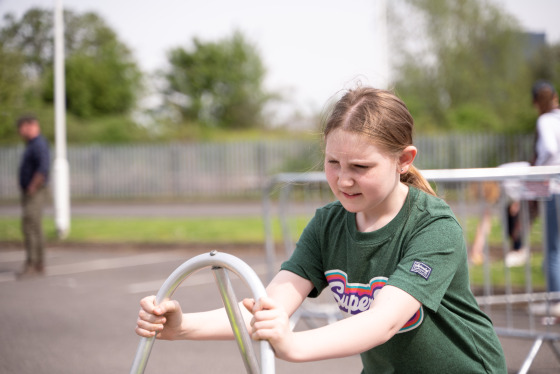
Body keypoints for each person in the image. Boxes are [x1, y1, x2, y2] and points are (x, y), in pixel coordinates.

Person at [136, 87, 507, 373]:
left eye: (360, 166)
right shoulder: (329, 223)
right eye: (333, 163)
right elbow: (269, 308)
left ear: (403, 161)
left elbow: (384, 321)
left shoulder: (433, 226)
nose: (344, 180)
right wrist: (181, 327)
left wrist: (293, 346)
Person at [531, 80, 560, 316]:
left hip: (555, 188)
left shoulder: (545, 120)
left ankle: (556, 303)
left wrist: (537, 169)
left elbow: (549, 149)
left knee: (553, 250)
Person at [17, 115, 50, 276]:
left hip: (35, 192)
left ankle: (34, 263)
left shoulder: (38, 144)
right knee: (32, 226)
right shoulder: (32, 144)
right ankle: (37, 263)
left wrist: (32, 186)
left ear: (30, 126)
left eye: (22, 127)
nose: (21, 131)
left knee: (31, 227)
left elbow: (43, 168)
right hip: (32, 191)